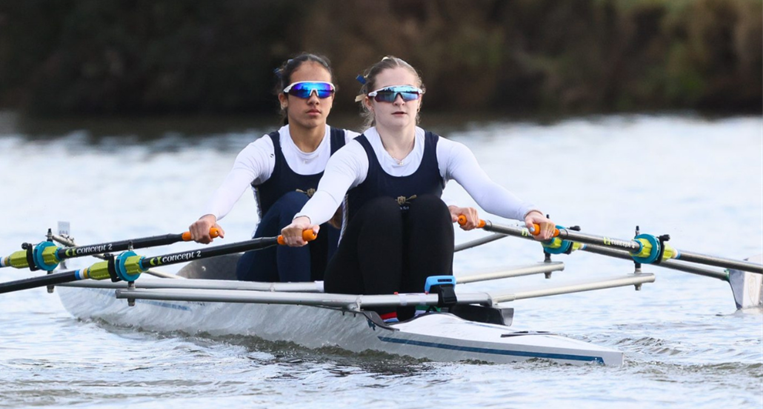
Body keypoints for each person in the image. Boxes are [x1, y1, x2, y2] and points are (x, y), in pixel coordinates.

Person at [279, 55, 555, 311]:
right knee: (383, 211)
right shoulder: (353, 154)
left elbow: (486, 191)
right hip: (354, 284)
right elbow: (327, 197)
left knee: (432, 208)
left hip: (412, 280)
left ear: (419, 100)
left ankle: (435, 306)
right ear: (369, 103)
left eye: (408, 93)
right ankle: (385, 311)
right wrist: (303, 221)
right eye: (387, 95)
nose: (399, 101)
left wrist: (530, 213)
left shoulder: (446, 151)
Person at [188, 53, 356, 282]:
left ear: (332, 97)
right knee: (294, 203)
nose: (314, 99)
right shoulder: (264, 150)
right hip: (266, 268)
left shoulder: (353, 146)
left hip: (327, 264)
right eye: (303, 90)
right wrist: (209, 217)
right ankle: (299, 300)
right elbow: (230, 189)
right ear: (283, 99)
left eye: (323, 90)